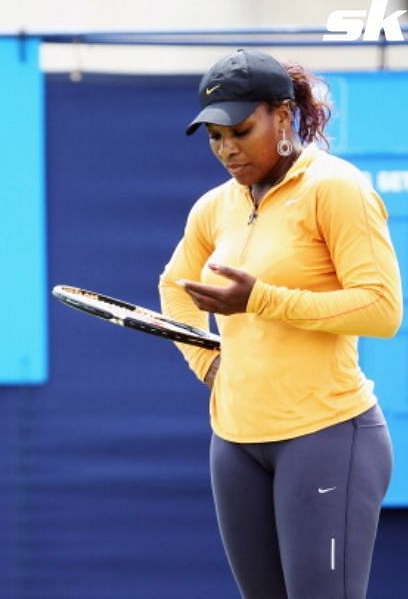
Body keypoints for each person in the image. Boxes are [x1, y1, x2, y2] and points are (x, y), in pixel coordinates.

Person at [160, 48, 402, 598]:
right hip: (235, 444)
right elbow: (173, 286)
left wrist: (262, 299)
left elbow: (382, 309)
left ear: (284, 116)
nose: (227, 149)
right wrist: (207, 360)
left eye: (240, 131)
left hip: (327, 436)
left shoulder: (336, 188)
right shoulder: (214, 206)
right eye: (215, 137)